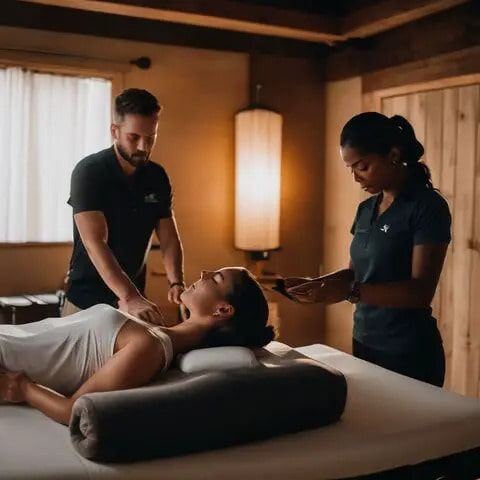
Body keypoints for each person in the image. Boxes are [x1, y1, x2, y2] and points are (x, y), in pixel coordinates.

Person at [283, 112, 451, 387]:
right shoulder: (366, 209)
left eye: (362, 166)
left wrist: (351, 292)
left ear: (394, 155)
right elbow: (354, 274)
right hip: (365, 343)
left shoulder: (427, 207)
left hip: (408, 351)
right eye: (350, 168)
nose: (356, 177)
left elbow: (420, 292)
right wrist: (316, 285)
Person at [0, 267, 273, 425]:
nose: (204, 272)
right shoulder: (152, 332)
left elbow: (74, 410)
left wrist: (24, 388)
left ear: (223, 309)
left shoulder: (149, 348)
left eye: (215, 279)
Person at [63, 88, 184, 324]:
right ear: (114, 131)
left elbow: (168, 236)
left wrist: (176, 281)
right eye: (134, 137)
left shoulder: (157, 176)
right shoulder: (89, 172)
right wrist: (128, 295)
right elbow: (95, 241)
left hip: (133, 303)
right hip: (85, 303)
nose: (143, 146)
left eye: (151, 138)